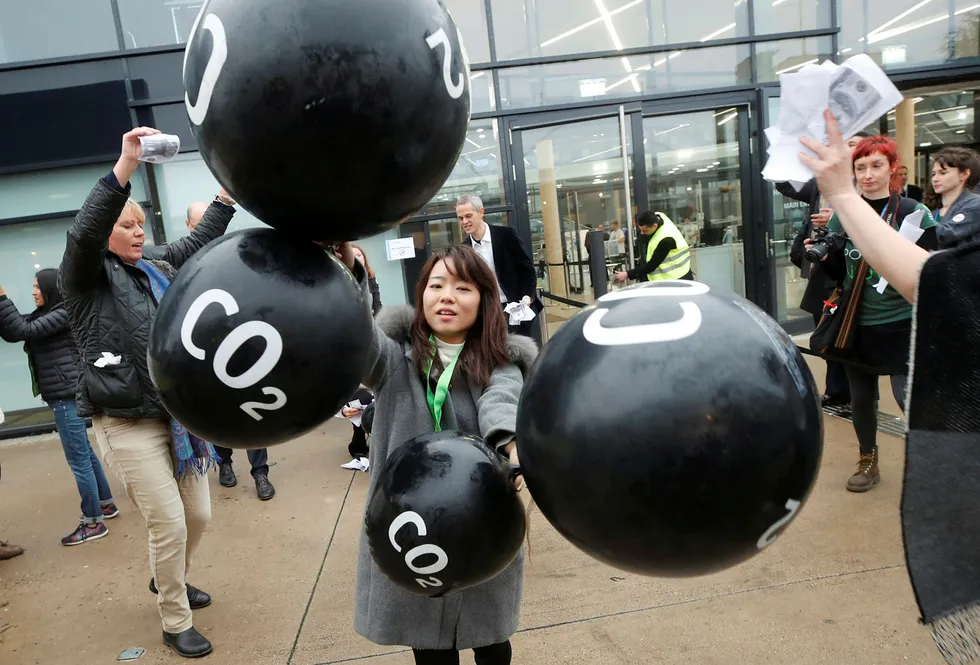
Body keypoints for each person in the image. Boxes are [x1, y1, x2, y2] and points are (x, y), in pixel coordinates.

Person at [58, 127, 236, 659]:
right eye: (127, 225)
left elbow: (192, 245)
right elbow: (84, 234)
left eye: (141, 224)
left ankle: (167, 578)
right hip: (124, 423)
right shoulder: (85, 278)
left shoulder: (153, 269)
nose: (138, 233)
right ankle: (174, 618)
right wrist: (125, 166)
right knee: (170, 522)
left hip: (173, 418)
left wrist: (227, 198)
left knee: (198, 517)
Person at [345, 243, 537, 665]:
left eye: (462, 287)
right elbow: (357, 338)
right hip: (410, 529)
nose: (447, 295)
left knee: (491, 641)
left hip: (480, 525)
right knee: (430, 647)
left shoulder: (501, 362)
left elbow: (501, 401)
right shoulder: (394, 359)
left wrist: (510, 443)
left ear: (484, 301)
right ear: (422, 296)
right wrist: (349, 276)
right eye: (437, 285)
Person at [808, 134, 936, 493]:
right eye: (860, 167)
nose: (867, 174)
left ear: (892, 168)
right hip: (857, 322)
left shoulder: (913, 212)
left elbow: (930, 268)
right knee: (862, 397)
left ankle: (929, 461)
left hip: (903, 321)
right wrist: (822, 255)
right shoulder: (845, 215)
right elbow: (836, 272)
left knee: (910, 396)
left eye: (876, 165)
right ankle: (868, 459)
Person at [0, 269, 119, 546]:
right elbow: (14, 329)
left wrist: (2, 297)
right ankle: (105, 505)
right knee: (85, 454)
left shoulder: (64, 313)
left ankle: (93, 522)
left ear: (51, 288)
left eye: (37, 287)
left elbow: (21, 330)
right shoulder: (48, 314)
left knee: (78, 459)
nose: (33, 291)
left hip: (66, 396)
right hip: (65, 393)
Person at [777, 135, 873, 413]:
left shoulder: (869, 186)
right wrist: (792, 150)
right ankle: (837, 391)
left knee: (851, 335)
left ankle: (858, 396)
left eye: (855, 144)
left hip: (853, 269)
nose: (848, 148)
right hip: (822, 268)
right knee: (826, 331)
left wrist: (837, 217)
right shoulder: (823, 182)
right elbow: (784, 184)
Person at [456, 193, 541, 337]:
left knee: (521, 355)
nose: (464, 222)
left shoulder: (506, 236)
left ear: (481, 212)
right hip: (487, 314)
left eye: (468, 216)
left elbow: (527, 270)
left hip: (517, 308)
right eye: (460, 218)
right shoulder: (464, 250)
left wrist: (527, 297)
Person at [340, 245, 382, 471]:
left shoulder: (371, 281)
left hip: (371, 337)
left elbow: (377, 305)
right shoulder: (338, 283)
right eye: (351, 254)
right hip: (350, 342)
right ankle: (359, 441)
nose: (354, 258)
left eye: (359, 255)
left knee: (373, 391)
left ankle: (374, 436)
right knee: (357, 394)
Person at [614, 210, 692, 283]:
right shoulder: (659, 216)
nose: (641, 233)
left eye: (644, 230)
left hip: (677, 279)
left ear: (654, 226)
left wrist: (627, 274)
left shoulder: (666, 240)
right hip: (675, 276)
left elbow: (651, 265)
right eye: (640, 230)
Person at [928, 146, 980, 250]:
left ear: (964, 174)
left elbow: (946, 234)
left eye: (943, 173)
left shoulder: (975, 204)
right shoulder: (934, 211)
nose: (935, 179)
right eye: (933, 174)